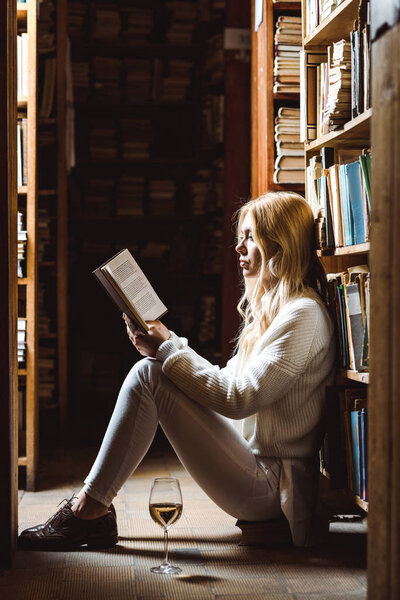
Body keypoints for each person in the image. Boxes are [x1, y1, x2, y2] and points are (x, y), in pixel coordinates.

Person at [19, 191, 336, 551]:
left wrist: (168, 349)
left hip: (274, 487)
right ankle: (90, 510)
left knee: (149, 374)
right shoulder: (279, 310)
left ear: (279, 244)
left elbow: (238, 399)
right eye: (240, 237)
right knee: (153, 370)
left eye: (250, 237)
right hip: (256, 467)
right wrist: (169, 344)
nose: (238, 248)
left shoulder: (302, 315)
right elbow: (226, 378)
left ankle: (88, 511)